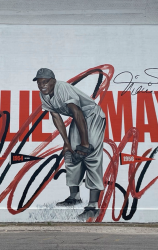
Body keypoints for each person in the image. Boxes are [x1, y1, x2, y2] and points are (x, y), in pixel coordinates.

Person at [33, 68, 106, 220]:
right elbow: (56, 117)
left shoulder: (63, 88)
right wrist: (66, 143)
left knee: (90, 156)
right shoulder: (44, 94)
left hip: (92, 116)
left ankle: (93, 206)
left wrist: (85, 143)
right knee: (70, 154)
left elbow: (78, 112)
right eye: (39, 83)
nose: (42, 85)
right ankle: (75, 197)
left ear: (53, 80)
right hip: (78, 119)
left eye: (45, 82)